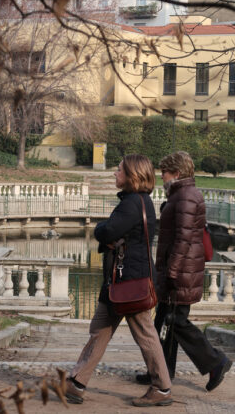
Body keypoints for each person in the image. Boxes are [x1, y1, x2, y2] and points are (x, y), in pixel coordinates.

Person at [65, 154, 173, 407]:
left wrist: (101, 230)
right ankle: (76, 382)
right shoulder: (141, 201)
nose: (115, 174)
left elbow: (108, 230)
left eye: (119, 170)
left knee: (145, 335)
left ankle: (163, 387)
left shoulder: (132, 203)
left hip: (128, 283)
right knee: (100, 330)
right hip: (122, 281)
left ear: (132, 176)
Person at [136, 151, 232, 391]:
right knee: (162, 322)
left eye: (164, 173)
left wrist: (171, 272)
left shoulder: (186, 196)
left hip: (180, 273)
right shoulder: (181, 195)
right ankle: (160, 372)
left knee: (176, 322)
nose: (161, 177)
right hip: (181, 271)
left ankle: (215, 361)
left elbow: (183, 238)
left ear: (176, 173)